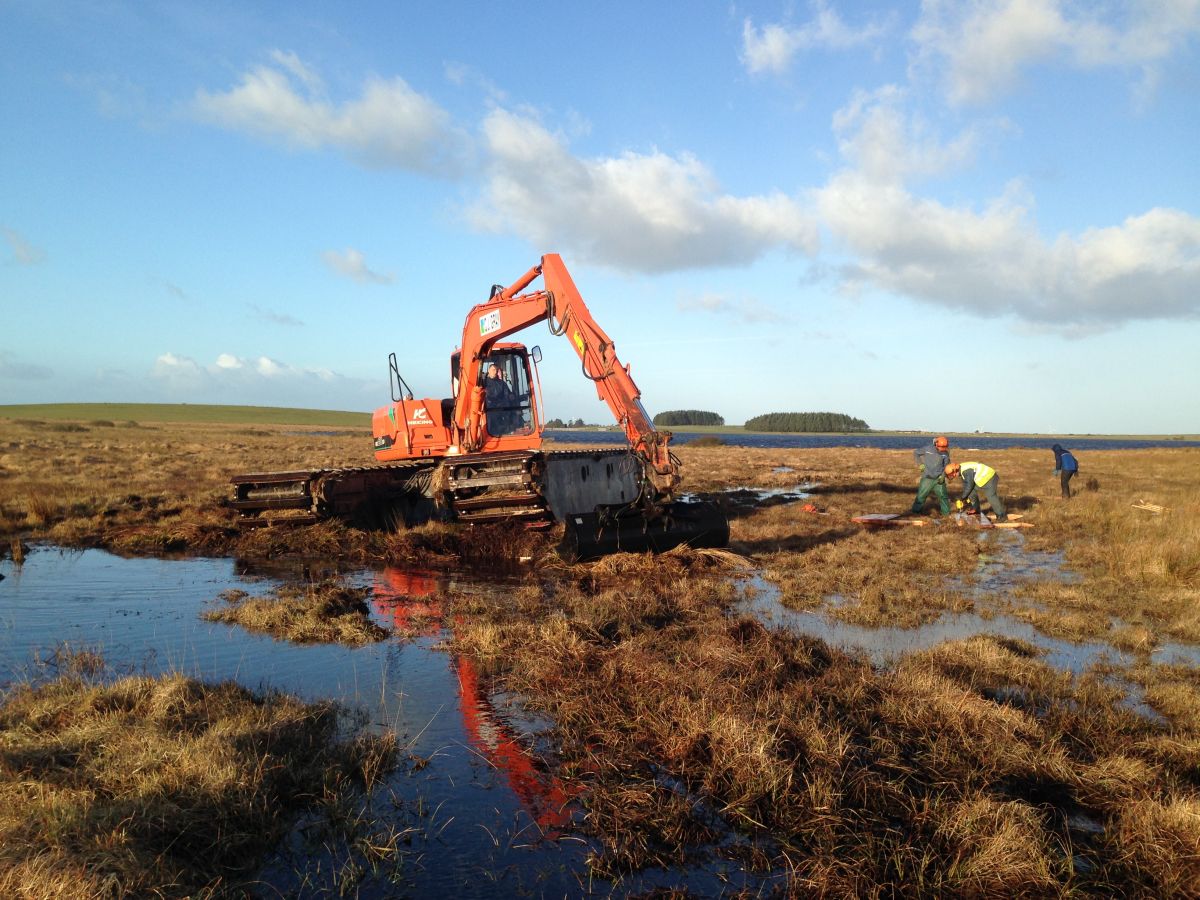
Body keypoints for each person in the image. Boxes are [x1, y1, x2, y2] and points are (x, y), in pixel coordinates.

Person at [911, 436, 951, 515]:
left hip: (939, 479)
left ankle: (946, 514)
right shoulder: (927, 449)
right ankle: (915, 513)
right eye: (941, 447)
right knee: (921, 496)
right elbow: (916, 453)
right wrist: (920, 464)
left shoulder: (946, 454)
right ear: (936, 444)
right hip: (927, 478)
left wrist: (943, 475)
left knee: (943, 497)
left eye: (945, 448)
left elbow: (946, 466)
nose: (943, 449)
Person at [484, 362, 515, 436]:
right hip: (489, 410)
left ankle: (508, 429)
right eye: (493, 370)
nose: (495, 372)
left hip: (501, 408)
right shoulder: (484, 383)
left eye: (496, 370)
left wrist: (511, 396)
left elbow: (508, 394)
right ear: (488, 370)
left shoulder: (502, 383)